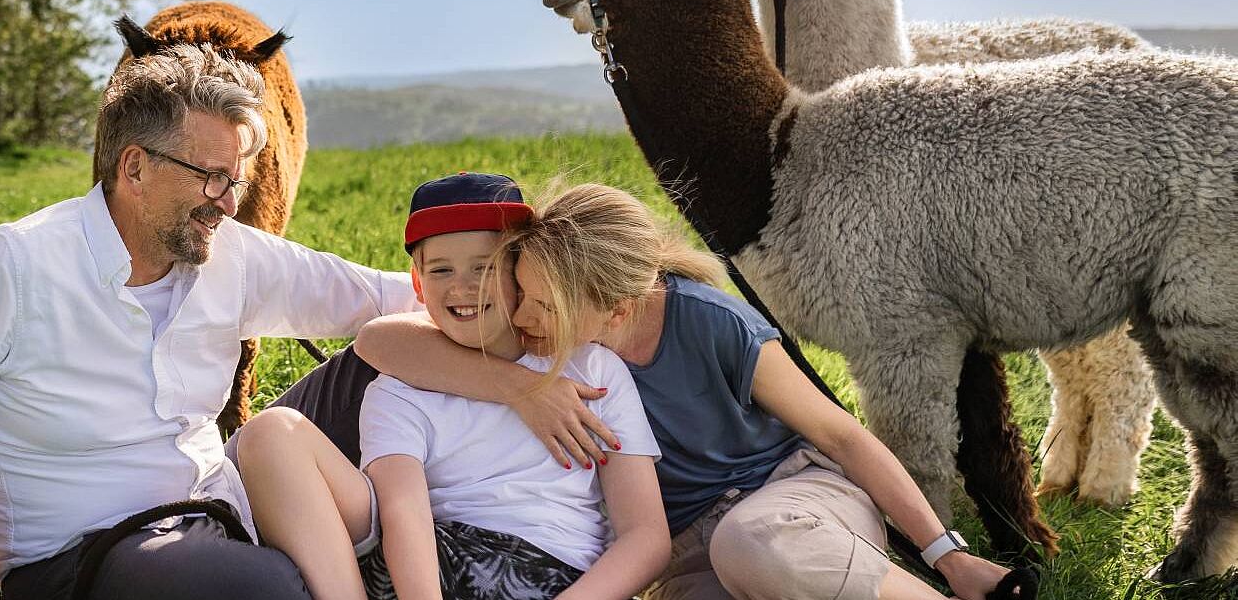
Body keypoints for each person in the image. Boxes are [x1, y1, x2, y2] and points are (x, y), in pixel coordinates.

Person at [0, 42, 420, 600]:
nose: (228, 203)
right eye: (211, 177)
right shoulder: (6, 266)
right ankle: (341, 565)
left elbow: (388, 298)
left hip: (225, 495)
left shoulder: (232, 253)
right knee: (257, 588)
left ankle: (434, 534)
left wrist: (479, 300)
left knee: (388, 354)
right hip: (86, 555)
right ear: (136, 167)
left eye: (235, 180)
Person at [348, 183, 1023, 600]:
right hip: (686, 546)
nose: (520, 315)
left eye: (541, 305)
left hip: (789, 498)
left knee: (755, 544)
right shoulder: (550, 344)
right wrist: (518, 386)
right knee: (731, 556)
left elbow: (841, 435)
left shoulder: (712, 323)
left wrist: (949, 555)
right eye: (520, 291)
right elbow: (380, 341)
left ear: (614, 309)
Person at [233, 173, 670, 600]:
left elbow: (645, 535)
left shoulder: (592, 369)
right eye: (442, 270)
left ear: (521, 272)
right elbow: (403, 511)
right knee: (271, 431)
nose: (462, 287)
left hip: (559, 575)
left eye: (484, 267)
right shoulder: (399, 389)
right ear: (418, 284)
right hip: (437, 566)